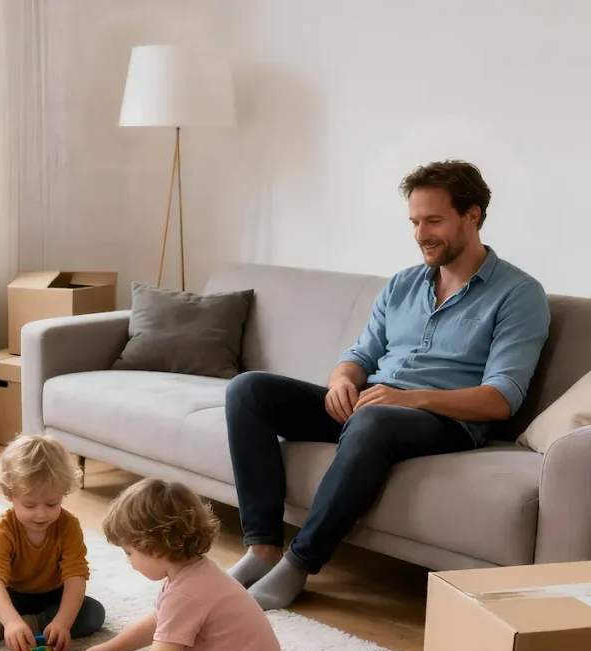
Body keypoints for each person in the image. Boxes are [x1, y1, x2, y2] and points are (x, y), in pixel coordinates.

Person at [224, 160, 551, 610]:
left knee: (373, 419)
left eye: (433, 220)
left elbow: (501, 399)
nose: (420, 234)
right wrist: (342, 381)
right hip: (372, 406)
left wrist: (408, 398)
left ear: (472, 215)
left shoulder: (518, 294)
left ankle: (299, 562)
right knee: (249, 390)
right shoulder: (401, 285)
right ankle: (261, 547)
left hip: (443, 420)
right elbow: (359, 356)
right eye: (415, 222)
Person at [64, 477, 309, 651]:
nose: (127, 560)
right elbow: (159, 621)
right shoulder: (194, 572)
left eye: (129, 552)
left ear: (154, 547)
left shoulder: (186, 594)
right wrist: (110, 648)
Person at [0, 434, 105, 651]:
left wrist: (62, 623)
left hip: (50, 594)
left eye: (52, 503)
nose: (41, 514)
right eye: (29, 505)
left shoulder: (69, 526)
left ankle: (32, 623)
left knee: (93, 614)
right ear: (10, 495)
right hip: (6, 590)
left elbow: (76, 577)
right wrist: (10, 621)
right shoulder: (3, 529)